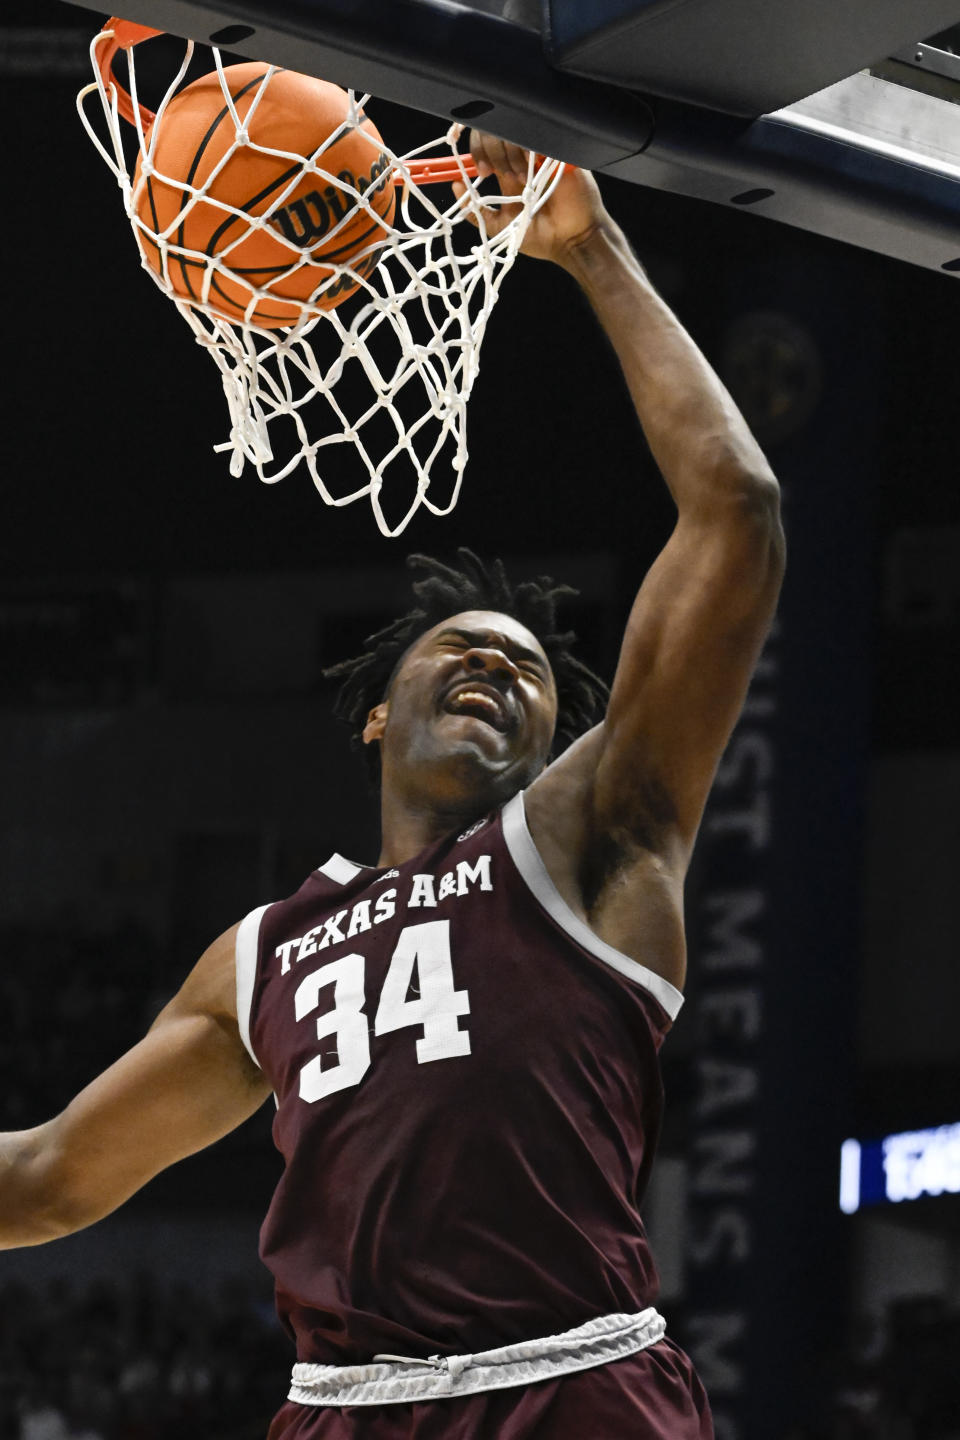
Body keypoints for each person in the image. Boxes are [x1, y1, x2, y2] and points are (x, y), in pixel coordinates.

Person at [0, 133, 784, 1438]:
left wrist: (589, 246)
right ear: (375, 717)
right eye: (459, 650)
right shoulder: (260, 957)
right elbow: (44, 1182)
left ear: (554, 744)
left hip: (571, 1389)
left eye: (528, 672)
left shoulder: (592, 839)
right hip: (341, 1411)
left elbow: (737, 513)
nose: (492, 664)